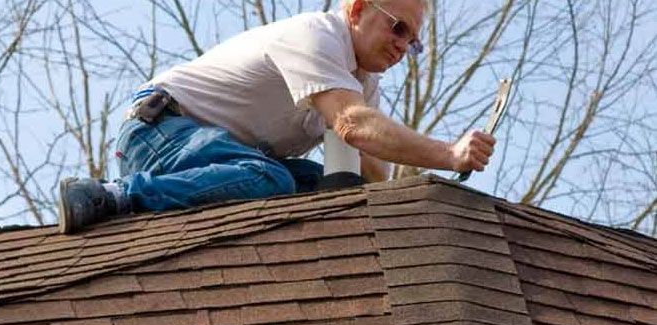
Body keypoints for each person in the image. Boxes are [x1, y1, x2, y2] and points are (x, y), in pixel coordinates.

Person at [58, 0, 496, 234]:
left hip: (214, 154)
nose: (404, 46)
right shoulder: (318, 36)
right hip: (158, 131)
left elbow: (372, 173)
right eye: (398, 28)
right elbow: (352, 123)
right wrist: (448, 153)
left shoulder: (360, 80)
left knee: (321, 189)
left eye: (414, 43)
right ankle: (112, 195)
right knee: (275, 180)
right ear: (358, 10)